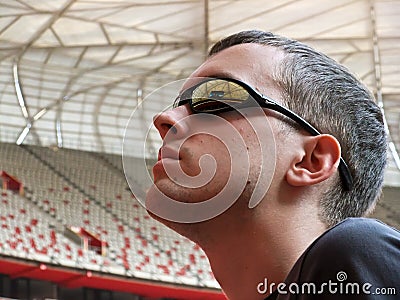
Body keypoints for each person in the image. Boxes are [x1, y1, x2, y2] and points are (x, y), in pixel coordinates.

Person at [146, 30, 400, 299]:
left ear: (310, 161)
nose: (165, 118)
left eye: (215, 98)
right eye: (178, 104)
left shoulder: (356, 251)